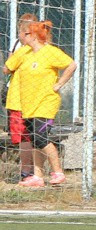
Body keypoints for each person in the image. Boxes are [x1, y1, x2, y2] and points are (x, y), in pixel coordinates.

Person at [3, 20, 76, 188]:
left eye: (25, 34)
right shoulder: (24, 52)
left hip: (46, 103)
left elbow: (71, 64)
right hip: (28, 104)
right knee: (35, 139)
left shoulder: (50, 52)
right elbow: (7, 67)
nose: (21, 37)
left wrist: (60, 83)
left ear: (33, 35)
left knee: (40, 137)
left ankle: (58, 171)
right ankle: (38, 176)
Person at [3, 13, 37, 183]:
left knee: (26, 135)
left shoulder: (26, 49)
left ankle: (27, 172)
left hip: (22, 98)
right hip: (23, 95)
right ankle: (34, 172)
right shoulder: (18, 45)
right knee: (36, 135)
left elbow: (7, 68)